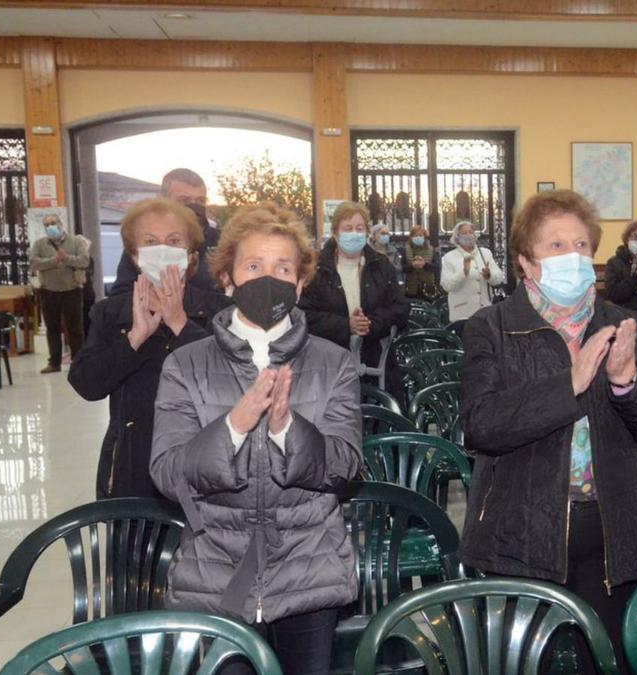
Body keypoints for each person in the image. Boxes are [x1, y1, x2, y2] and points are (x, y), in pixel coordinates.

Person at [459, 189, 637, 668]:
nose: (573, 257)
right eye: (556, 246)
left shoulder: (624, 323)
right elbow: (482, 425)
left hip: (613, 527)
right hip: (521, 530)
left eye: (581, 245)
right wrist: (572, 384)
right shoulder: (491, 328)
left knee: (609, 660)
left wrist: (627, 383)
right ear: (526, 262)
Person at [150, 202, 361, 675]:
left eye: (283, 268)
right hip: (216, 575)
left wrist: (288, 429)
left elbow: (345, 465)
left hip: (310, 571)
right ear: (228, 279)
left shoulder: (333, 362)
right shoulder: (186, 365)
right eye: (254, 266)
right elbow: (167, 472)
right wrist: (235, 426)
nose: (270, 279)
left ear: (301, 284)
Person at [70, 198, 231, 500]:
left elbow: (232, 382)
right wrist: (134, 338)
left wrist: (181, 324)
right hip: (133, 462)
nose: (162, 250)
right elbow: (86, 384)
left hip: (205, 463)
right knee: (136, 545)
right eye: (150, 242)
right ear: (134, 255)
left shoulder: (221, 312)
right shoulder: (110, 313)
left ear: (191, 254)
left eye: (173, 241)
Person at [299, 201, 409, 402]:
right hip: (329, 368)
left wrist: (371, 323)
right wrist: (345, 325)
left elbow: (400, 308)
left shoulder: (381, 265)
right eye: (347, 229)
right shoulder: (317, 271)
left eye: (359, 228)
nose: (354, 234)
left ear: (367, 232)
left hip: (377, 364)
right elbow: (304, 315)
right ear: (335, 233)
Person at [110, 168, 221, 295]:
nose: (194, 206)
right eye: (184, 200)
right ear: (163, 200)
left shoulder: (220, 241)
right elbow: (121, 295)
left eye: (200, 201)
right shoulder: (147, 244)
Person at [29, 214, 90, 374]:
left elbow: (84, 261)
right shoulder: (40, 244)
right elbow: (34, 263)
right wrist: (52, 261)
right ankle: (54, 362)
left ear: (61, 223)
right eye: (47, 224)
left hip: (71, 291)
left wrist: (66, 258)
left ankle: (78, 361)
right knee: (52, 328)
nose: (50, 227)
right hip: (48, 291)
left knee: (75, 329)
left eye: (53, 223)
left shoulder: (76, 242)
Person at [441, 220, 506, 320]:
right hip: (462, 313)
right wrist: (464, 272)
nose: (468, 235)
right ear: (457, 238)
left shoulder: (485, 253)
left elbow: (499, 278)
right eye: (464, 233)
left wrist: (489, 275)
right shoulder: (450, 257)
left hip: (485, 312)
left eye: (470, 232)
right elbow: (447, 285)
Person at [603, 219, 637, 314]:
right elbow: (613, 294)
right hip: (624, 315)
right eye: (635, 237)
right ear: (627, 239)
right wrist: (635, 278)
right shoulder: (614, 263)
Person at [403, 224, 437, 299]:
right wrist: (412, 266)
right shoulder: (406, 249)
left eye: (420, 235)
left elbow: (437, 267)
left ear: (424, 237)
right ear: (411, 237)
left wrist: (424, 265)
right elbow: (402, 269)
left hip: (428, 288)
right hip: (411, 289)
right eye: (415, 236)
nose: (418, 237)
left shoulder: (431, 249)